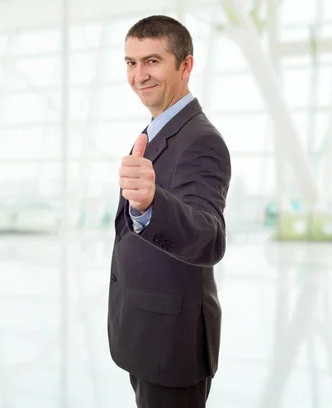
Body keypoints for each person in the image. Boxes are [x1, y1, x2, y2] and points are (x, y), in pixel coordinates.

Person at [107, 15, 232, 408]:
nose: (139, 75)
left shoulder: (202, 141)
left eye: (152, 61)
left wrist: (150, 204)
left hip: (172, 346)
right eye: (131, 62)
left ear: (186, 66)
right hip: (148, 333)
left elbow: (209, 237)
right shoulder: (156, 131)